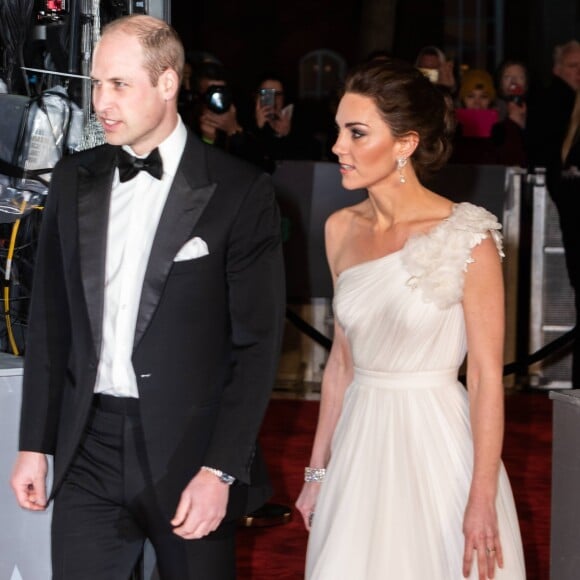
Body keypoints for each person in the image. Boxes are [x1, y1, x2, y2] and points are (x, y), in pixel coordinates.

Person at [10, 14, 285, 580]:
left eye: (118, 84)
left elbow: (257, 348)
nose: (100, 103)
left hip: (191, 454)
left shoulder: (239, 191)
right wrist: (34, 443)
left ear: (166, 84)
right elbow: (50, 324)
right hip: (87, 445)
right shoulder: (72, 179)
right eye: (95, 84)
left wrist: (221, 470)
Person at [295, 58, 526, 579]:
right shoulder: (340, 229)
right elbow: (341, 366)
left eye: (357, 133)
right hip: (359, 447)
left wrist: (482, 497)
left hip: (437, 449)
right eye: (338, 131)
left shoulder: (468, 235)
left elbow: (488, 378)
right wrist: (316, 472)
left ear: (405, 144)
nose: (338, 147)